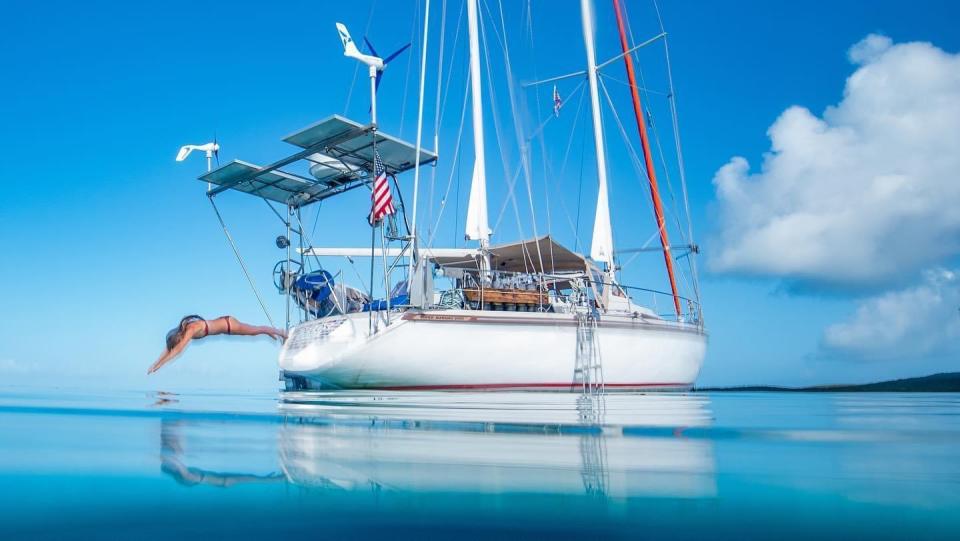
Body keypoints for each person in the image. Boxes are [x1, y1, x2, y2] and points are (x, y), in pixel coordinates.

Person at [148, 315, 286, 374]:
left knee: (255, 330)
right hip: (225, 323)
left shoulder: (190, 329)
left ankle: (280, 332)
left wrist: (161, 364)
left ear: (178, 337)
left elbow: (178, 349)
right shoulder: (183, 330)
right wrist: (155, 364)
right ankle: (271, 332)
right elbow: (169, 348)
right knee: (255, 331)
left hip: (229, 325)